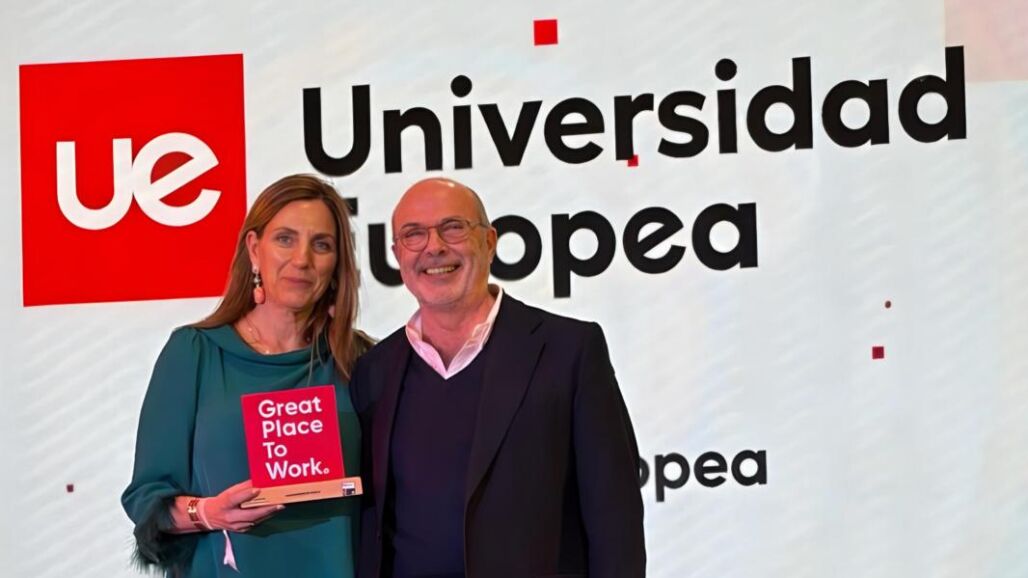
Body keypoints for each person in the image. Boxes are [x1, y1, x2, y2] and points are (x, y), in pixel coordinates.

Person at [349, 178, 646, 578]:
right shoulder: (373, 371)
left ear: (489, 242)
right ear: (397, 254)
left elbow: (615, 522)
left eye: (452, 227)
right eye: (413, 234)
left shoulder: (569, 352)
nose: (434, 247)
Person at [122, 174, 372, 578]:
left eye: (321, 245)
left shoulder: (361, 361)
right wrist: (208, 512)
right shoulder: (194, 353)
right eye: (285, 239)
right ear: (255, 249)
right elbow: (148, 498)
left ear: (337, 263)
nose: (302, 260)